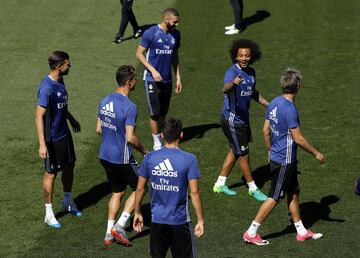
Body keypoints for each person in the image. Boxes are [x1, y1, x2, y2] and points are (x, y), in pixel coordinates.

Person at [243, 68, 326, 245]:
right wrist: (316, 153)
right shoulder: (290, 109)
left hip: (277, 156)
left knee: (294, 192)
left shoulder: (273, 103)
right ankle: (251, 232)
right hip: (285, 160)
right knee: (275, 196)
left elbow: (265, 131)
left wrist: (269, 149)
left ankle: (301, 230)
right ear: (297, 86)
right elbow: (298, 138)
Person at [133, 117, 204, 258]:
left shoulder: (150, 158)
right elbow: (194, 193)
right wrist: (200, 220)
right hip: (180, 221)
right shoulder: (189, 159)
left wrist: (137, 212)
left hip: (157, 220)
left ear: (161, 135)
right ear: (181, 135)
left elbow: (140, 188)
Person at [96, 65, 148, 245]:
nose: (136, 82)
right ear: (128, 83)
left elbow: (98, 129)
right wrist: (144, 151)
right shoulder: (130, 107)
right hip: (122, 157)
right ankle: (120, 225)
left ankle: (108, 234)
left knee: (117, 191)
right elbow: (131, 138)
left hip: (104, 155)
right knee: (141, 187)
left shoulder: (104, 100)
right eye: (134, 79)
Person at [213, 39, 269, 201]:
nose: (244, 58)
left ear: (251, 57)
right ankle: (253, 188)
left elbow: (252, 92)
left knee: (236, 150)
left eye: (247, 56)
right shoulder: (232, 72)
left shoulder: (251, 72)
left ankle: (220, 183)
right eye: (241, 56)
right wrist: (233, 83)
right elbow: (225, 88)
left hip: (243, 119)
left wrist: (268, 104)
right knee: (244, 154)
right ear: (235, 57)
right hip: (232, 119)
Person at [36, 51, 82, 229]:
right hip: (52, 139)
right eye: (67, 64)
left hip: (64, 134)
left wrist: (71, 119)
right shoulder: (47, 88)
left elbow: (61, 105)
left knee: (70, 165)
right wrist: (42, 143)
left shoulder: (60, 80)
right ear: (58, 66)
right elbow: (39, 116)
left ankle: (67, 201)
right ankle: (49, 213)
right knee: (51, 174)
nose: (70, 66)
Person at [136, 8, 182, 150]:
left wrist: (178, 77)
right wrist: (153, 70)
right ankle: (157, 142)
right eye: (174, 22)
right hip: (151, 79)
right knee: (155, 113)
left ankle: (162, 136)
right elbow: (139, 54)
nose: (176, 25)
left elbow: (175, 56)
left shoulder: (176, 34)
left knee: (163, 112)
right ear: (165, 19)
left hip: (167, 80)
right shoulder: (151, 33)